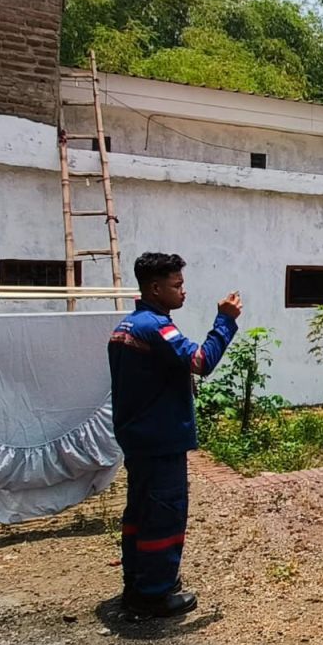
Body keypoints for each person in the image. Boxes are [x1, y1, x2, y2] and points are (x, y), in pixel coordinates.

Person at [108, 252, 241, 618]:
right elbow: (201, 362)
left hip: (137, 439)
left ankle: (137, 583)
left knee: (140, 514)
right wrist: (225, 322)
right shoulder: (157, 327)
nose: (183, 292)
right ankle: (154, 594)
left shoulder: (124, 327)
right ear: (155, 288)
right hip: (161, 439)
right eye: (176, 285)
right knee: (164, 516)